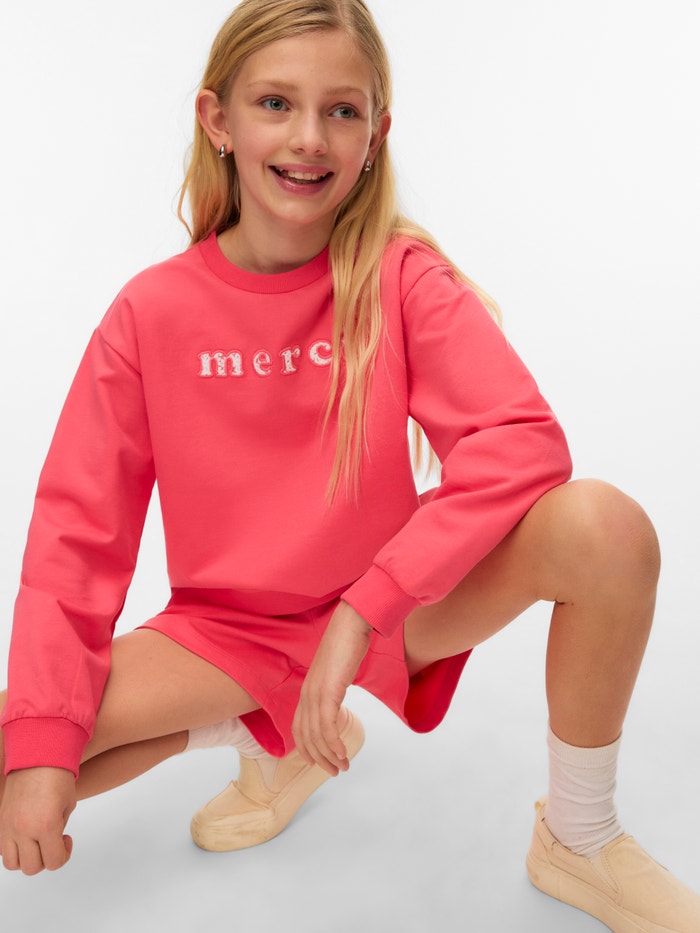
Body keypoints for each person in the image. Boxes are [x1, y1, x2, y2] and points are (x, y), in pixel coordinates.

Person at [0, 0, 697, 929]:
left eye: (341, 110)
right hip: (225, 632)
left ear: (376, 134)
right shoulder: (150, 312)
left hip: (388, 613)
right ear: (217, 120)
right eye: (275, 103)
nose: (309, 137)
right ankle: (268, 728)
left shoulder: (400, 279)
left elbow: (520, 441)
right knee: (25, 742)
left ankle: (579, 835)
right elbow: (75, 536)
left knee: (604, 528)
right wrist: (42, 756)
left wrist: (363, 610)